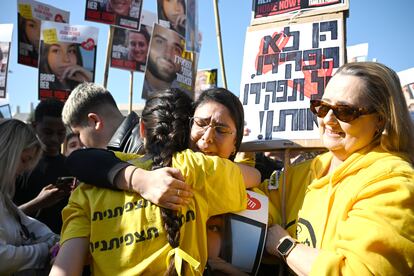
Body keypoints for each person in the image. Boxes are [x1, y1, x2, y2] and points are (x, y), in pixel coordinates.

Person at [50, 89, 260, 275]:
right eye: (201, 124)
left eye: (221, 130)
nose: (207, 138)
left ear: (142, 130)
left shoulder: (88, 188)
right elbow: (255, 176)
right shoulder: (198, 169)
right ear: (186, 130)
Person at [263, 62, 414, 275]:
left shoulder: (392, 183)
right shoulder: (304, 172)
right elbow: (254, 207)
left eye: (345, 111)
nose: (327, 120)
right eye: (322, 107)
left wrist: (285, 246)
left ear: (380, 119)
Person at [0, 119, 60, 274]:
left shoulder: (4, 200)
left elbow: (32, 227)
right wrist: (44, 250)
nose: (24, 168)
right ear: (8, 151)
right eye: (24, 159)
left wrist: (57, 243)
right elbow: (2, 258)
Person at [13, 98, 71, 234]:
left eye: (61, 133)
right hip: (26, 248)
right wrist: (38, 203)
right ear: (34, 127)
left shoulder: (71, 166)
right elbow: (6, 219)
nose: (55, 139)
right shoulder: (19, 167)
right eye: (48, 132)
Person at [62, 82, 144, 153]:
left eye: (78, 134)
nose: (80, 144)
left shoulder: (144, 146)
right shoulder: (140, 139)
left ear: (95, 121)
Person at [142, 24, 184, 98]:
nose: (168, 55)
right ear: (147, 45)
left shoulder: (185, 99)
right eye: (160, 42)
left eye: (176, 49)